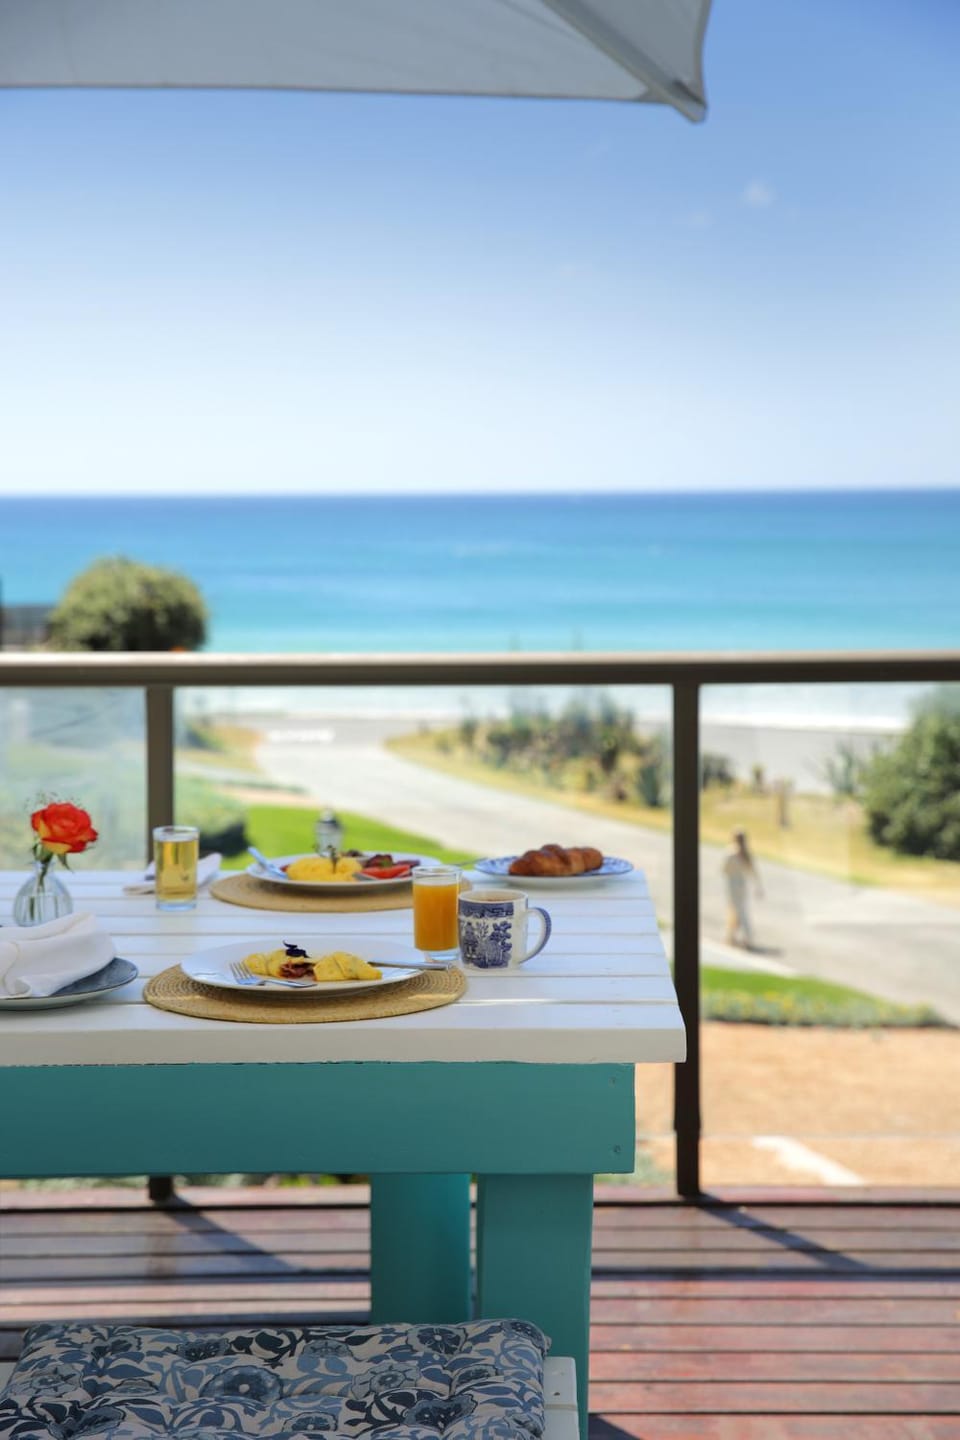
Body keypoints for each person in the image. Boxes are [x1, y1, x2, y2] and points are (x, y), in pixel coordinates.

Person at [722, 829, 763, 948]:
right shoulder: (746, 854)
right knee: (738, 911)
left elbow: (724, 869)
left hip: (733, 885)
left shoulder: (731, 853)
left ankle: (747, 938)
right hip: (743, 886)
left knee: (737, 911)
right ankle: (731, 936)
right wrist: (758, 886)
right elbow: (754, 872)